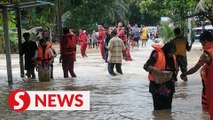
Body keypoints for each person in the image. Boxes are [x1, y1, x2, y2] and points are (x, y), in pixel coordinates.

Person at [181, 31, 213, 116]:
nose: (202, 45)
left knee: (207, 109)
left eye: (202, 43)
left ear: (205, 41)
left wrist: (185, 73)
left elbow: (196, 67)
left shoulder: (207, 53)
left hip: (209, 83)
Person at [143, 42, 177, 110]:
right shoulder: (156, 54)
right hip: (156, 85)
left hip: (169, 86)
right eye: (170, 52)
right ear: (167, 50)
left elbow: (175, 69)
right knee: (158, 109)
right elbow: (145, 66)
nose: (171, 54)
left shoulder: (173, 57)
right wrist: (154, 69)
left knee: (168, 109)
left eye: (173, 52)